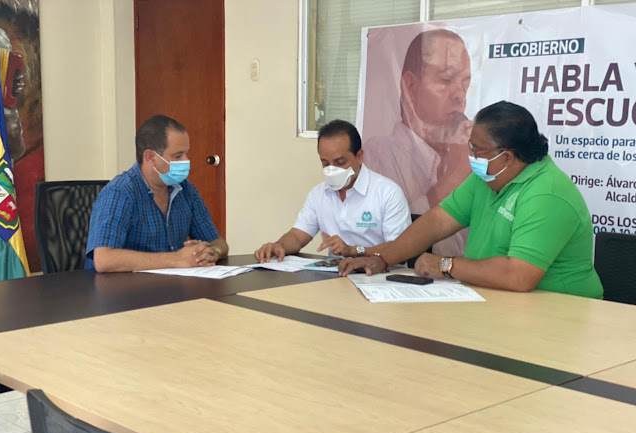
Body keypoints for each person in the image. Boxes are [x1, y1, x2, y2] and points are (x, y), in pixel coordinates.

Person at [339, 101, 603, 299]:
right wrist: (383, 258)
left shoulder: (546, 193)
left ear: (507, 156)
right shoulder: (486, 178)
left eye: (478, 151)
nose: (472, 157)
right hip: (496, 300)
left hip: (560, 309)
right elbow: (436, 222)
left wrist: (446, 265)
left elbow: (518, 276)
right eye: (471, 148)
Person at [363, 28, 472, 257]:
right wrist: (452, 179)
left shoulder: (467, 156)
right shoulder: (376, 155)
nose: (459, 95)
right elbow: (390, 238)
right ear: (410, 86)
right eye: (446, 80)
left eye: (465, 83)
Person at [85, 115, 228, 272]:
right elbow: (104, 260)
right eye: (178, 155)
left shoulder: (185, 190)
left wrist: (211, 253)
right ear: (151, 157)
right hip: (124, 286)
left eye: (186, 153)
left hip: (172, 283)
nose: (186, 160)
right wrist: (176, 259)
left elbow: (219, 243)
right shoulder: (120, 193)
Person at [254, 119, 411, 263]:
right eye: (325, 163)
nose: (332, 169)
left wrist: (354, 251)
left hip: (379, 276)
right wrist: (279, 245)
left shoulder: (388, 193)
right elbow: (297, 235)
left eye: (340, 162)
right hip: (336, 275)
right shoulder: (318, 194)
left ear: (359, 156)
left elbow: (400, 249)